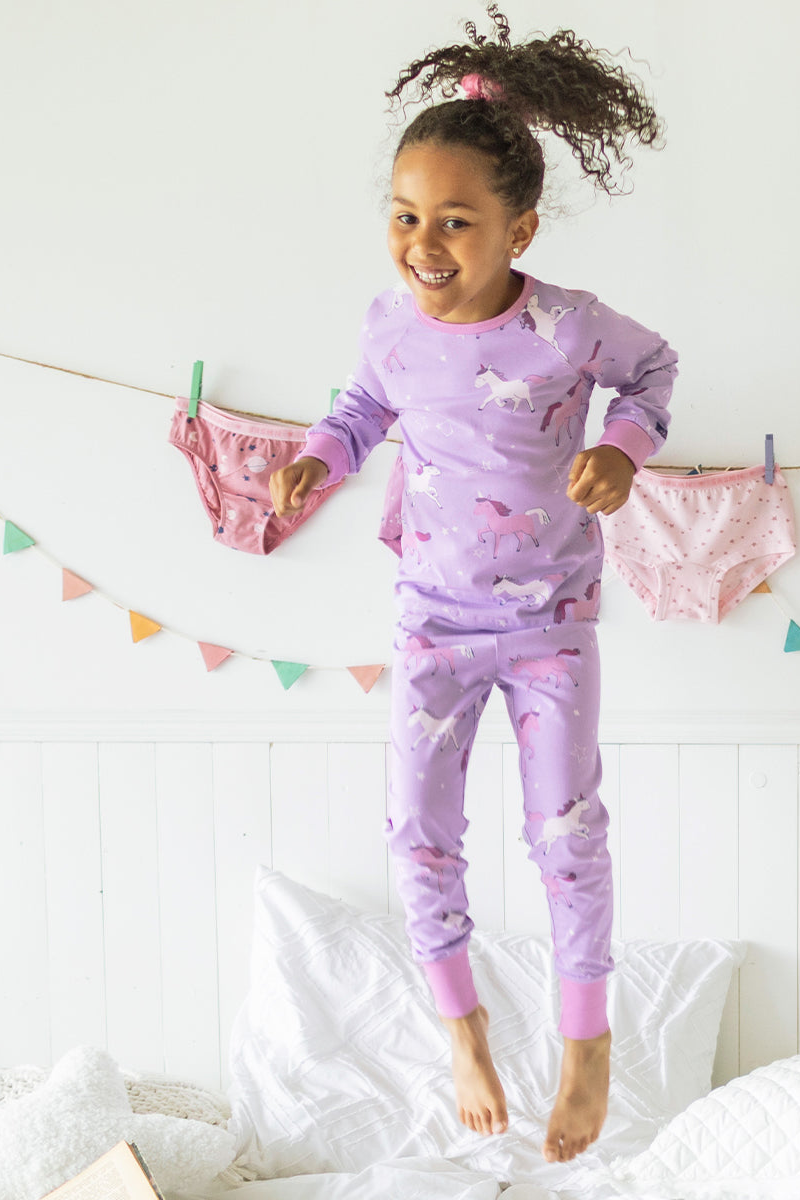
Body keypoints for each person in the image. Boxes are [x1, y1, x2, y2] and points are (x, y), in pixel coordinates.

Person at [270, 5, 676, 1164]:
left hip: (551, 624)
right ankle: (463, 1028)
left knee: (567, 830)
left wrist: (623, 450)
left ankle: (588, 1039)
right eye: (405, 218)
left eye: (455, 221)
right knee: (421, 834)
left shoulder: (568, 327)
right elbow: (358, 412)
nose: (424, 244)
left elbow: (654, 373)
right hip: (434, 622)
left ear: (520, 229)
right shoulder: (389, 330)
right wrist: (320, 456)